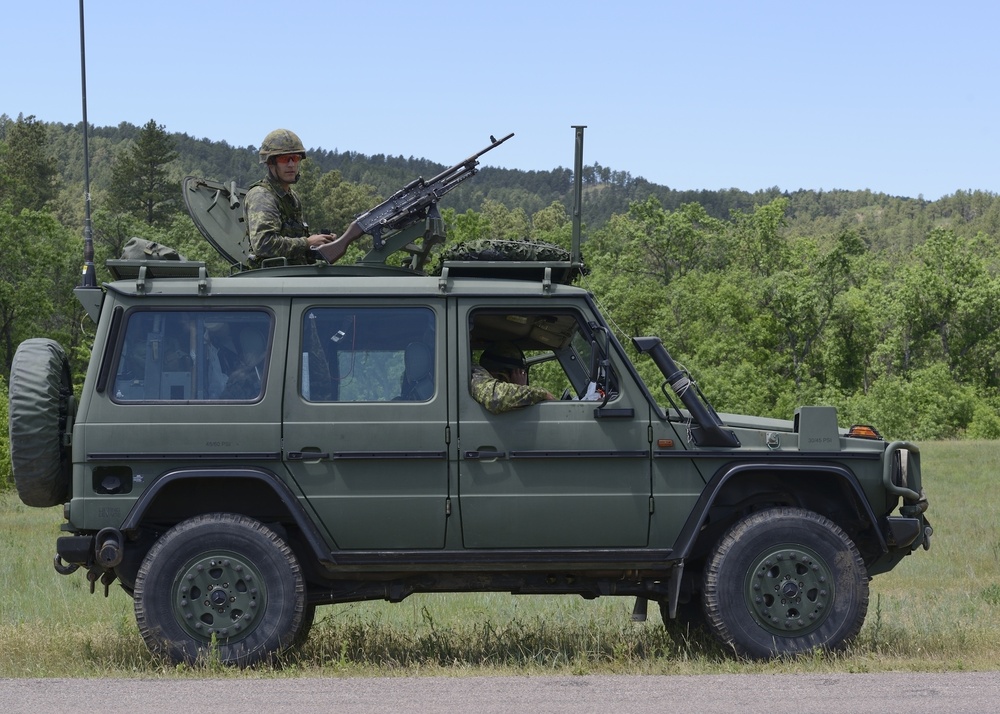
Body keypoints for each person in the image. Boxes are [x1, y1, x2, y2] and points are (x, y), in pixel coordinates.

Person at [243, 128, 336, 265]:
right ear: (270, 162)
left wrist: (320, 242)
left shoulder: (291, 197)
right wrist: (307, 242)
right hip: (273, 278)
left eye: (296, 158)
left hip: (293, 276)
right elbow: (263, 244)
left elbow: (294, 243)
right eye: (284, 159)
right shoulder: (262, 196)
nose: (292, 164)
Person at [470, 342, 554, 414]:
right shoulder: (475, 373)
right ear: (501, 374)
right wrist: (542, 394)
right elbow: (495, 398)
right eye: (517, 373)